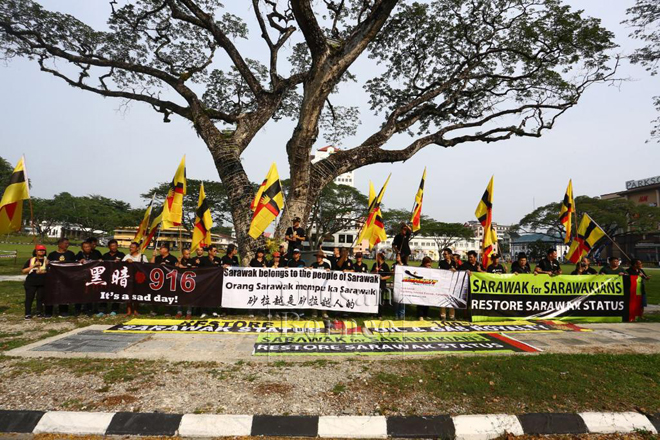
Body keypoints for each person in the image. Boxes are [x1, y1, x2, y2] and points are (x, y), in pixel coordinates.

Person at [46, 237, 76, 317]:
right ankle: (49, 311)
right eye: (65, 243)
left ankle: (63, 311)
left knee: (64, 294)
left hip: (66, 278)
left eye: (68, 243)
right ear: (59, 244)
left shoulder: (71, 254)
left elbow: (74, 265)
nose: (67, 245)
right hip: (54, 278)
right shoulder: (52, 254)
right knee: (52, 294)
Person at [99, 239, 125, 317]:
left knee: (116, 293)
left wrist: (120, 262)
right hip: (106, 277)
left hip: (117, 277)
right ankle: (102, 310)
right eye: (112, 246)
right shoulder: (105, 255)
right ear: (109, 247)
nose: (114, 247)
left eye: (115, 246)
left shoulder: (121, 254)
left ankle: (115, 310)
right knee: (104, 293)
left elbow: (125, 265)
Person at [22, 245, 48, 319]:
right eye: (39, 250)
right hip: (31, 282)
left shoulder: (47, 260)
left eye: (43, 250)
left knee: (40, 298)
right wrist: (34, 266)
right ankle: (28, 313)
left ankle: (39, 312)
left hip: (42, 282)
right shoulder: (31, 260)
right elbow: (23, 271)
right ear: (36, 251)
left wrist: (46, 269)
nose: (42, 251)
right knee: (29, 298)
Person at [122, 242, 148, 316]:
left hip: (138, 278)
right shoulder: (127, 256)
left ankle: (136, 310)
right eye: (130, 247)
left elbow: (146, 267)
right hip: (128, 278)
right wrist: (126, 261)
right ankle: (129, 310)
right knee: (128, 294)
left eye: (133, 247)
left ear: (137, 248)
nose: (131, 248)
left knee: (137, 294)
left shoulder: (142, 256)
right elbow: (121, 265)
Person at [371, 252, 392, 319]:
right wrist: (375, 270)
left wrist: (382, 278)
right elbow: (371, 273)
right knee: (374, 299)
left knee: (380, 299)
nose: (376, 258)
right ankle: (373, 313)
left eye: (377, 257)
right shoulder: (375, 264)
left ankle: (380, 314)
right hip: (374, 285)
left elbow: (389, 275)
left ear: (380, 257)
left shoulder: (385, 265)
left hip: (382, 284)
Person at [416, 256, 434, 320]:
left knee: (427, 301)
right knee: (420, 302)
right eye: (428, 263)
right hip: (421, 287)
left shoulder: (430, 269)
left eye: (430, 263)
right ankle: (420, 315)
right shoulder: (420, 269)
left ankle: (425, 314)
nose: (430, 264)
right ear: (424, 263)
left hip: (428, 287)